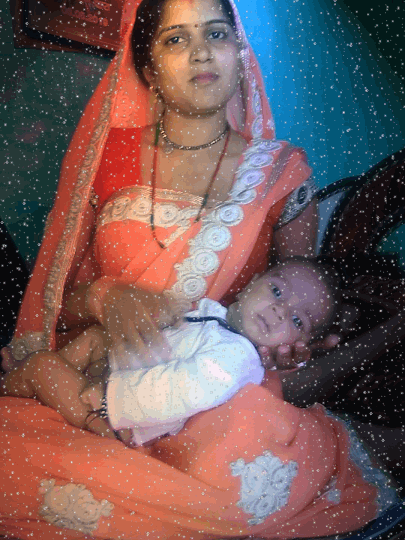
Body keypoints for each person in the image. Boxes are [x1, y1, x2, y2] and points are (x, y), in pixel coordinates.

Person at [0, 0, 397, 537]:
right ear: (147, 68)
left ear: (239, 52)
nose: (201, 52)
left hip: (209, 408)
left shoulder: (280, 175)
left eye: (215, 34)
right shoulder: (107, 156)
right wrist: (102, 297)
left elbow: (292, 324)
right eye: (175, 39)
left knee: (236, 467)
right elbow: (55, 311)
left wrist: (287, 352)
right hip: (97, 372)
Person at [1, 257, 340, 447]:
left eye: (298, 319)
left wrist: (110, 398)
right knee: (95, 337)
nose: (280, 310)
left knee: (42, 365)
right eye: (277, 291)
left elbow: (183, 389)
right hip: (120, 373)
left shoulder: (239, 357)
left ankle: (12, 387)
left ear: (296, 344)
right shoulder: (219, 317)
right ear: (253, 282)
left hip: (122, 422)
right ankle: (31, 385)